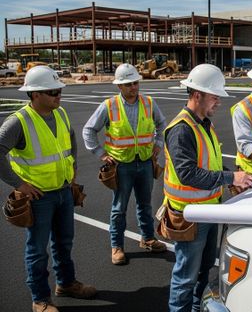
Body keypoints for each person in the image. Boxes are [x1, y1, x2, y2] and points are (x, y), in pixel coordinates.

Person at [0, 66, 97, 312]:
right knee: (37, 250)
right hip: (38, 197)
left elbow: (71, 139)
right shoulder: (18, 122)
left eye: (59, 90)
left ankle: (66, 284)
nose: (58, 95)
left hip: (63, 191)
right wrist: (19, 185)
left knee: (64, 243)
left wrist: (73, 167)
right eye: (52, 91)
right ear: (35, 94)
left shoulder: (61, 114)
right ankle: (40, 299)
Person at [164, 64, 252, 312]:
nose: (218, 102)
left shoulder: (203, 123)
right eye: (215, 96)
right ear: (197, 95)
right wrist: (230, 178)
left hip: (206, 210)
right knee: (185, 277)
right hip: (189, 215)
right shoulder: (181, 129)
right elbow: (187, 175)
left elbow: (212, 162)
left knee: (203, 270)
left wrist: (234, 178)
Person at [82, 63, 167, 265]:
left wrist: (158, 143)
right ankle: (117, 246)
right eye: (129, 84)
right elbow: (89, 130)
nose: (134, 87)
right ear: (119, 86)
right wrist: (100, 153)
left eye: (136, 83)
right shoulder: (109, 105)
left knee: (145, 205)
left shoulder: (148, 103)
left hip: (145, 162)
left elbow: (162, 124)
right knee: (119, 208)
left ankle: (147, 239)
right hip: (122, 166)